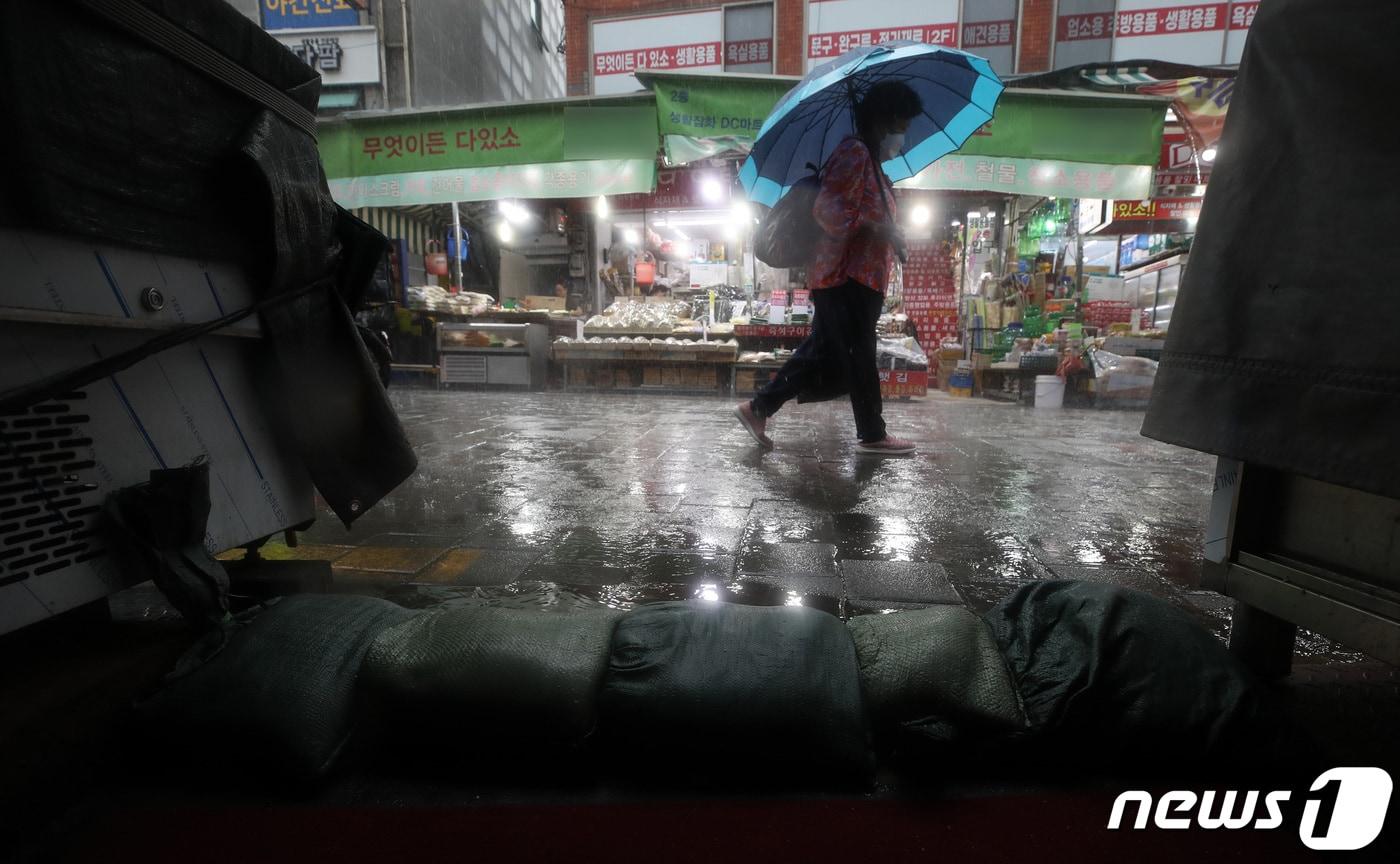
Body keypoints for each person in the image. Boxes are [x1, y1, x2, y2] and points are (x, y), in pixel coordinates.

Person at [734, 80, 922, 455]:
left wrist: (890, 234)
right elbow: (828, 211)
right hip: (844, 275)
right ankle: (872, 433)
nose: (903, 135)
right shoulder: (853, 154)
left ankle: (758, 407)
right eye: (900, 125)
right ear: (882, 121)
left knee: (830, 352)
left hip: (857, 277)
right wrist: (876, 227)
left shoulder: (872, 163)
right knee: (855, 353)